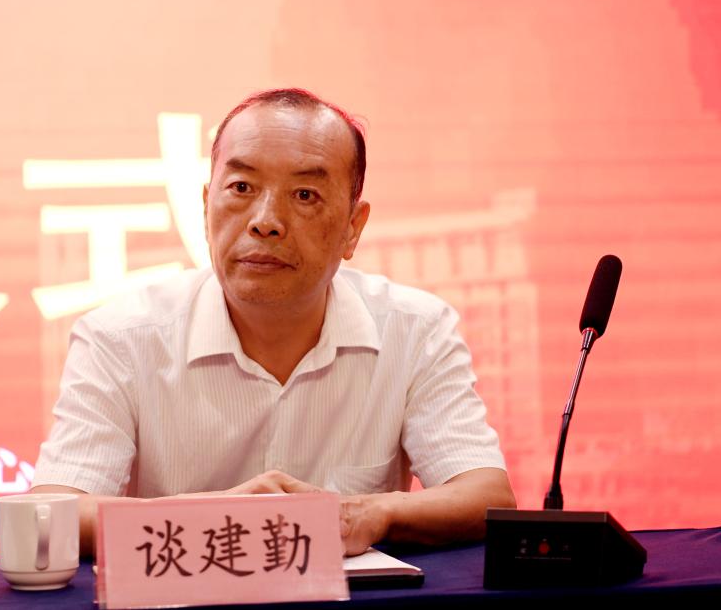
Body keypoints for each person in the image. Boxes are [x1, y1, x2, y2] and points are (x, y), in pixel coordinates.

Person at [31, 88, 516, 556]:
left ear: (353, 228)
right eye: (241, 188)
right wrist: (214, 518)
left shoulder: (416, 329)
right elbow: (50, 513)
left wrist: (370, 513)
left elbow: (486, 495)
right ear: (206, 207)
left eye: (304, 194)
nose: (265, 221)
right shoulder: (119, 338)